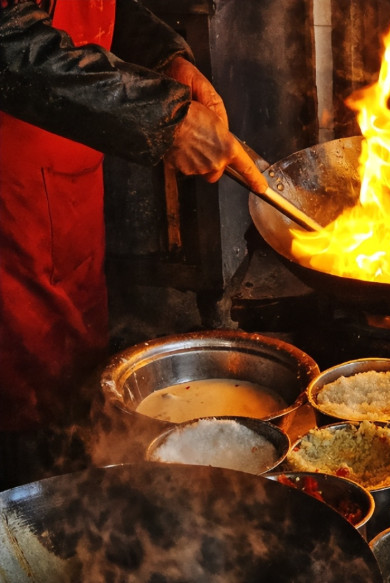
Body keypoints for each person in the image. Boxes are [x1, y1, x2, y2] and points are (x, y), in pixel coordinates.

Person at [0, 0, 268, 488]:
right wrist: (162, 116)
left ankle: (78, 498)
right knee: (21, 410)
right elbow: (10, 46)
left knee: (72, 380)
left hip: (66, 182)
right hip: (9, 200)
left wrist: (163, 58)